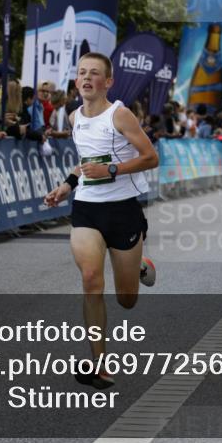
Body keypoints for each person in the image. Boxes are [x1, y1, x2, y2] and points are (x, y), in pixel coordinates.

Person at [44, 53, 159, 390]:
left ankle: (139, 264)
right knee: (91, 279)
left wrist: (112, 170)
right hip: (87, 209)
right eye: (82, 73)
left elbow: (151, 157)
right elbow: (84, 164)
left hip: (123, 210)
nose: (87, 78)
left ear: (108, 82)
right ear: (76, 80)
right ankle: (100, 365)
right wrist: (66, 185)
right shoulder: (73, 115)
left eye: (95, 73)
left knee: (127, 300)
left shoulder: (119, 114)